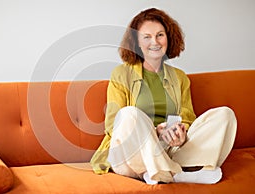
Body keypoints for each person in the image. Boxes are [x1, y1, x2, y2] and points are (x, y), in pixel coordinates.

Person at [90, 7, 237, 184]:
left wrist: (180, 133)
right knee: (129, 114)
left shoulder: (180, 77)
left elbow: (188, 117)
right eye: (147, 37)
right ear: (136, 42)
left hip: (169, 149)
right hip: (131, 153)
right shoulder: (121, 74)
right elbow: (114, 125)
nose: (155, 41)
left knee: (224, 115)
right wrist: (154, 131)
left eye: (160, 35)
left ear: (168, 37)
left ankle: (161, 171)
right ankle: (177, 173)